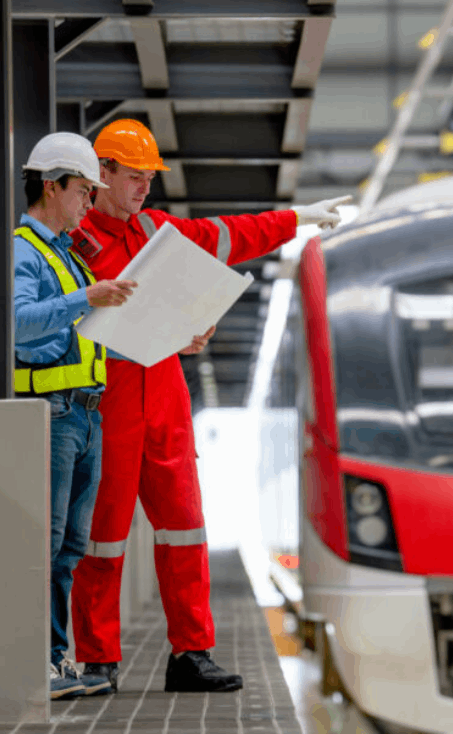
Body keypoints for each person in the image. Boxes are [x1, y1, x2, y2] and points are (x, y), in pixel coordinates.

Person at [69, 119, 349, 693]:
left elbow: (228, 235)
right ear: (102, 174)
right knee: (102, 536)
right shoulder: (74, 243)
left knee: (186, 529)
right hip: (110, 400)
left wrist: (295, 220)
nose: (145, 187)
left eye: (150, 178)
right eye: (134, 177)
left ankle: (191, 654)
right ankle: (98, 659)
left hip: (165, 395)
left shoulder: (155, 230)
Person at [12, 132, 139, 700]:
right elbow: (19, 325)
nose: (90, 203)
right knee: (48, 545)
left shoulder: (66, 256)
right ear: (51, 186)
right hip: (55, 413)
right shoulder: (24, 250)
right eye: (84, 191)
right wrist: (87, 300)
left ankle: (57, 662)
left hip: (86, 417)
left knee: (68, 551)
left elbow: (84, 335)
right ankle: (36, 663)